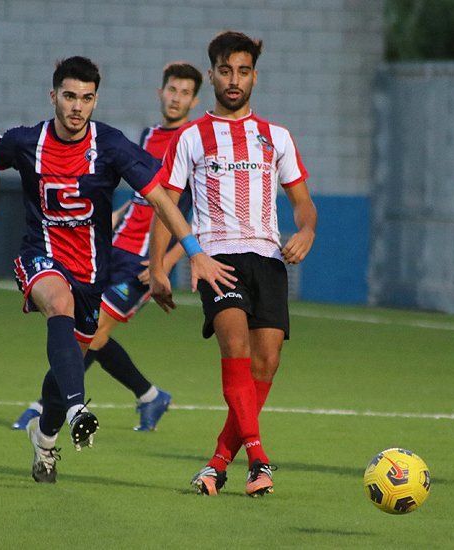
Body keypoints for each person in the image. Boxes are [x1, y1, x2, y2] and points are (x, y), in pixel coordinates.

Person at [0, 56, 233, 484]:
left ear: (95, 101)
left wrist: (193, 251)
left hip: (94, 270)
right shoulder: (26, 140)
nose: (77, 107)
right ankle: (75, 408)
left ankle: (45, 437)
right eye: (69, 96)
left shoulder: (113, 146)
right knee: (58, 301)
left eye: (86, 98)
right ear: (54, 96)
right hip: (42, 255)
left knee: (79, 348)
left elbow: (162, 199)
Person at [148, 31, 317, 497]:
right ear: (212, 75)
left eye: (243, 71)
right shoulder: (190, 137)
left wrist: (306, 230)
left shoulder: (276, 136)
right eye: (225, 71)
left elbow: (302, 202)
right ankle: (260, 461)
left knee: (266, 363)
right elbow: (167, 202)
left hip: (268, 259)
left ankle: (218, 463)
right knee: (236, 347)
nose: (234, 79)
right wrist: (158, 265)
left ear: (254, 76)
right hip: (216, 259)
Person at [11, 62, 203, 432]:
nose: (176, 98)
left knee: (93, 334)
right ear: (160, 92)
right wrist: (112, 217)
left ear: (194, 101)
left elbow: (195, 211)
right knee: (86, 332)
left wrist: (166, 261)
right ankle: (148, 395)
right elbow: (141, 197)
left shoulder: (191, 143)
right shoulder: (149, 136)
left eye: (184, 93)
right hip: (110, 249)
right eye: (172, 90)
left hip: (145, 260)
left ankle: (46, 408)